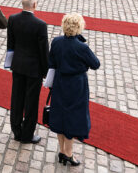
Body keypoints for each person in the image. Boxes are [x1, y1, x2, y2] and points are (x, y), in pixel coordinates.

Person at [47, 13, 100, 167]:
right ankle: (68, 154)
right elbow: (96, 64)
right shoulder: (81, 47)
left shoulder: (56, 42)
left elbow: (51, 62)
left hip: (60, 82)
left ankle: (62, 150)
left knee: (60, 114)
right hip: (76, 85)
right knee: (72, 117)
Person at [7, 0, 49, 144]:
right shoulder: (40, 25)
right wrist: (46, 71)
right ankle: (27, 134)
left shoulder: (12, 19)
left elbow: (10, 44)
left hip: (17, 65)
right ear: (35, 5)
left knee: (16, 99)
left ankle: (16, 130)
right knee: (31, 102)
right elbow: (44, 51)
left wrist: (10, 62)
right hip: (33, 69)